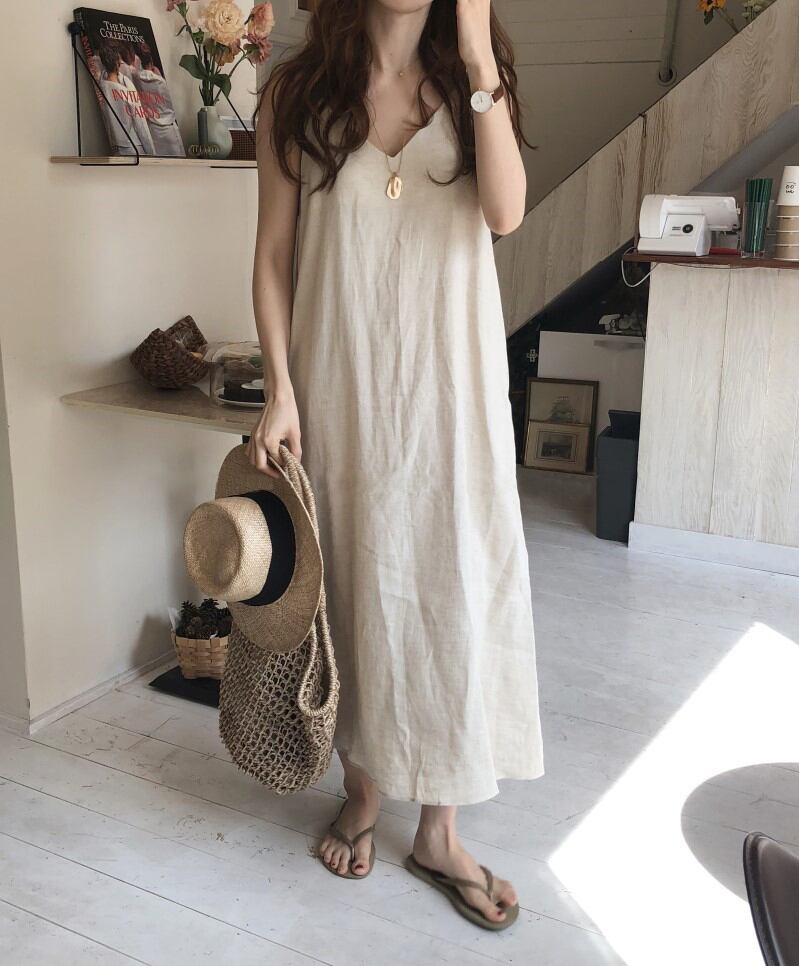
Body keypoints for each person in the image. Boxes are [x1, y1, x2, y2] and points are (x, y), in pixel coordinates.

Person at [248, 0, 544, 929]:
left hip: (451, 396)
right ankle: (365, 789)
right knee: (354, 586)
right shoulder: (298, 93)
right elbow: (273, 257)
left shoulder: (474, 81)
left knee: (451, 587)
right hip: (340, 388)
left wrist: (476, 51)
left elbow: (506, 213)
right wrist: (280, 388)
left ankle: (441, 829)